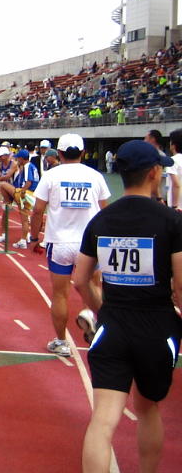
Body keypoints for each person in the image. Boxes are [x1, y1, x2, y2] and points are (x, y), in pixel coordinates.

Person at [72, 140, 181, 472]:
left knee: (103, 420)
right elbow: (181, 286)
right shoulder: (171, 221)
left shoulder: (101, 221)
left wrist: (101, 310)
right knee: (148, 409)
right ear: (154, 173)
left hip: (113, 327)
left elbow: (80, 279)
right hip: (156, 328)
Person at [29, 133, 110, 357]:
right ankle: (94, 320)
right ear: (83, 153)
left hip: (60, 243)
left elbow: (37, 210)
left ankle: (62, 342)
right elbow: (105, 210)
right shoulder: (95, 176)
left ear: (59, 153)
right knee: (94, 288)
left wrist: (34, 238)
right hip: (89, 244)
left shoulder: (51, 176)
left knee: (60, 294)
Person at [0, 149, 39, 249]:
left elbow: (29, 181)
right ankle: (25, 238)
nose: (17, 160)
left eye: (18, 158)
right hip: (31, 194)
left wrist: (22, 193)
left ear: (21, 158)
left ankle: (7, 202)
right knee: (24, 218)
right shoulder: (31, 166)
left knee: (2, 185)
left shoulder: (27, 166)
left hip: (26, 193)